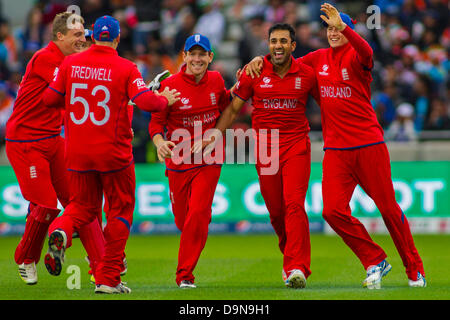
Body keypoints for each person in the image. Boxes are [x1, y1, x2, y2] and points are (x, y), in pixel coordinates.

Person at [247, 3, 426, 289]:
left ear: (348, 30)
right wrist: (259, 60)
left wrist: (346, 28)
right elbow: (284, 61)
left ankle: (414, 268)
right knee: (331, 211)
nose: (332, 33)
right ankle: (375, 259)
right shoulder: (318, 59)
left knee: (389, 209)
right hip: (336, 151)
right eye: (329, 28)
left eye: (337, 28)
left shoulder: (358, 56)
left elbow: (368, 52)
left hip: (369, 145)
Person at [42, 15, 180, 294]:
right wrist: (166, 99)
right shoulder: (126, 67)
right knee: (120, 211)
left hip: (78, 152)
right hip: (113, 154)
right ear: (117, 39)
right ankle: (108, 278)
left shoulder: (69, 63)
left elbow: (49, 99)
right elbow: (147, 102)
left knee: (81, 208)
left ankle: (61, 231)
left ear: (92, 37)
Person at [201, 23, 317, 289]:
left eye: (283, 41)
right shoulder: (254, 72)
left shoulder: (307, 74)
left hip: (297, 146)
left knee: (294, 206)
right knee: (277, 213)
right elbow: (232, 110)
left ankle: (296, 266)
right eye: (274, 41)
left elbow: (329, 105)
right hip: (265, 151)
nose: (278, 46)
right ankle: (291, 259)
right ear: (268, 44)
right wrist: (214, 135)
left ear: (292, 46)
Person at [5, 11, 108, 285]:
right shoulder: (46, 58)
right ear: (59, 36)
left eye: (85, 35)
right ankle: (26, 258)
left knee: (81, 202)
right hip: (26, 142)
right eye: (77, 35)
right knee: (46, 205)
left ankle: (103, 264)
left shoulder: (75, 62)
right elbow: (74, 91)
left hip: (53, 139)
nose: (83, 39)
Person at [149, 34, 233, 288]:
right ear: (184, 56)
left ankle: (184, 275)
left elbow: (227, 110)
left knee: (197, 213)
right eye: (192, 54)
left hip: (209, 158)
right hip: (178, 162)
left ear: (210, 57)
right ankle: (198, 222)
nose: (197, 59)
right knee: (183, 220)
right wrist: (160, 143)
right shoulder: (170, 86)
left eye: (202, 54)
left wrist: (212, 136)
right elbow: (156, 123)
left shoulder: (217, 80)